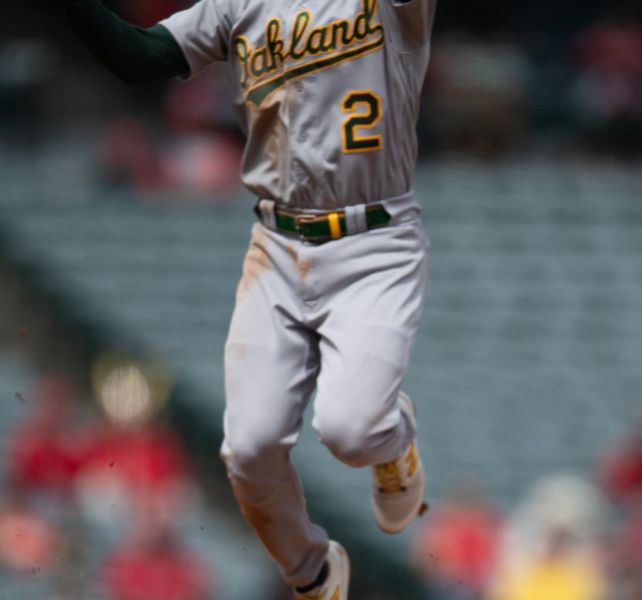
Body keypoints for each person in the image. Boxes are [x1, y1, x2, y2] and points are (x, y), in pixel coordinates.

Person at [57, 0, 436, 597]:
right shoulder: (240, 4)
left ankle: (395, 440)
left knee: (351, 429)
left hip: (375, 241)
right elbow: (137, 56)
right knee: (250, 449)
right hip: (278, 245)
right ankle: (311, 572)